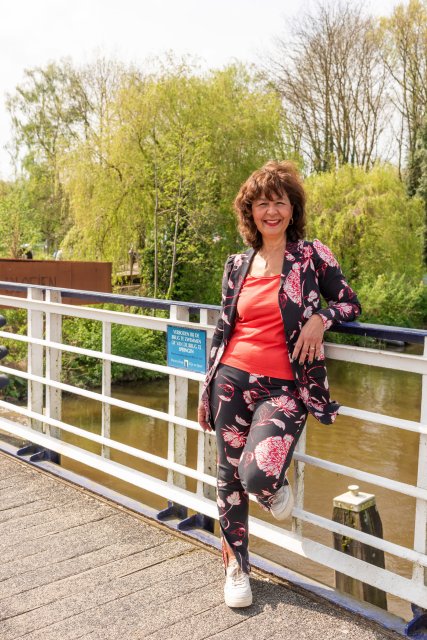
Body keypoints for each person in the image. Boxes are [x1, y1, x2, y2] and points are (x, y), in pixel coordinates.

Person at [197, 160, 361, 608]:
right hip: (230, 378)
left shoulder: (311, 256)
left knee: (254, 474)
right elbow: (222, 329)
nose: (271, 211)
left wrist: (320, 320)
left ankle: (272, 488)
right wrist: (205, 388)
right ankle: (236, 568)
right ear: (250, 212)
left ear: (292, 208)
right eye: (262, 203)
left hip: (285, 387)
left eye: (279, 202)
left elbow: (350, 303)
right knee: (228, 477)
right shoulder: (237, 264)